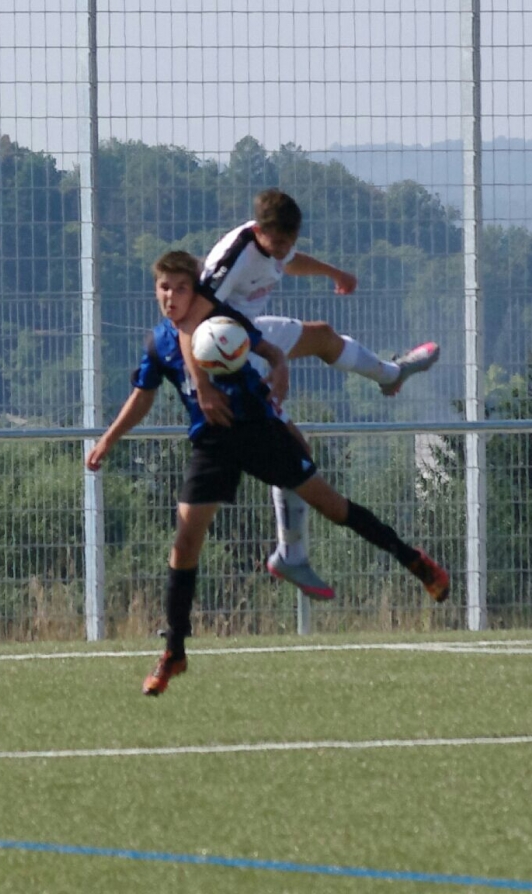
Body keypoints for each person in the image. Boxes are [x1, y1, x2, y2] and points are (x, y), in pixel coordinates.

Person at [85, 250, 450, 697]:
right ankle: (174, 651)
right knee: (184, 542)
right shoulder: (159, 342)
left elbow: (272, 352)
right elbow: (142, 395)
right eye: (165, 288)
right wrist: (107, 440)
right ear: (155, 290)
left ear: (195, 289)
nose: (172, 297)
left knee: (334, 507)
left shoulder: (222, 322)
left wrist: (279, 376)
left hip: (259, 432)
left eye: (181, 288)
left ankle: (415, 561)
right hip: (212, 445)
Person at [179, 188, 441, 602]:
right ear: (260, 231)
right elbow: (188, 320)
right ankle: (291, 555)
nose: (285, 250)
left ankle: (391, 373)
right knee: (295, 449)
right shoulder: (234, 258)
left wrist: (334, 273)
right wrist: (205, 386)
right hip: (225, 360)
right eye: (279, 242)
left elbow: (289, 260)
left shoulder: (275, 245)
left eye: (290, 242)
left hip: (248, 336)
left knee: (322, 336)